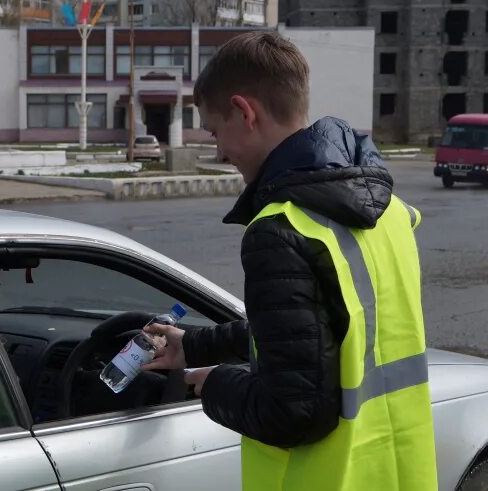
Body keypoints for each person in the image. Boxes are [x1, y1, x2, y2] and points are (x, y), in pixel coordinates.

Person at [142, 31, 437, 490]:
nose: (218, 151)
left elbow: (292, 413)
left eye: (216, 131)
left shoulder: (280, 229)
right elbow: (332, 329)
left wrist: (214, 383)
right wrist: (194, 345)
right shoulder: (390, 211)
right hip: (396, 471)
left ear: (245, 112)